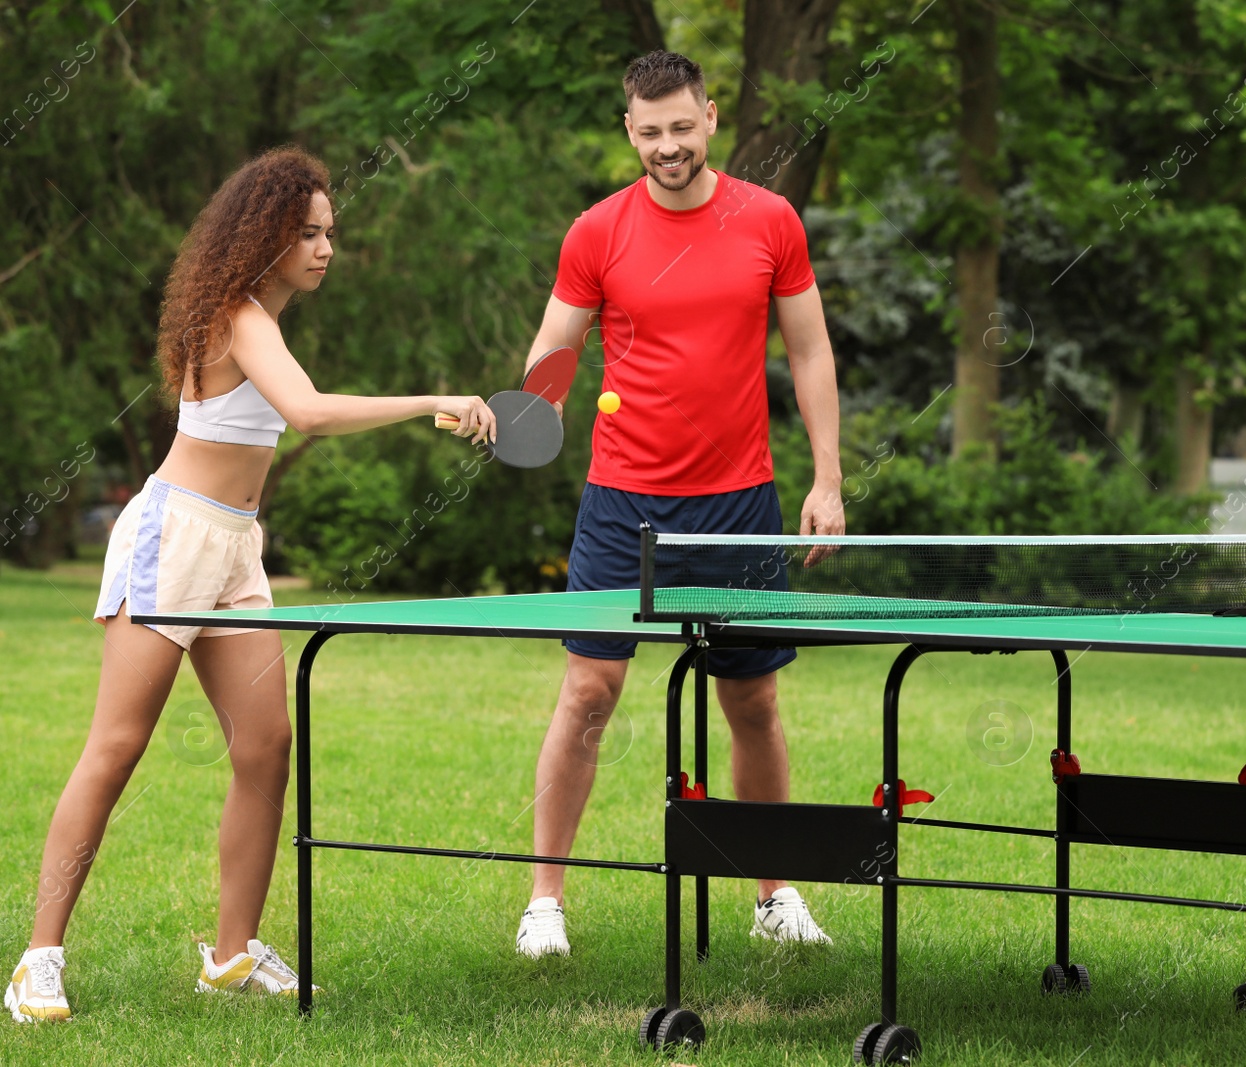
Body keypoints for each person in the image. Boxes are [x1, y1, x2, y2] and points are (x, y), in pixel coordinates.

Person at [6, 146, 494, 1024]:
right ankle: (37, 958)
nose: (324, 247)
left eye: (329, 232)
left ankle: (231, 955)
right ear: (262, 235)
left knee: (266, 745)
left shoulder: (258, 317)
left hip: (233, 547)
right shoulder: (238, 317)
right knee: (116, 749)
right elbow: (307, 412)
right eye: (306, 232)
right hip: (173, 539)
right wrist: (430, 402)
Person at [514, 50, 845, 958]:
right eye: (650, 131)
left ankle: (774, 891)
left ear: (709, 117)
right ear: (631, 131)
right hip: (623, 502)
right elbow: (556, 349)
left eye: (682, 126)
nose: (668, 145)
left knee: (753, 701)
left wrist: (828, 477)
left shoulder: (770, 220)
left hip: (740, 502)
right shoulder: (597, 232)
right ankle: (545, 901)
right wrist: (522, 412)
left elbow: (810, 353)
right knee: (589, 688)